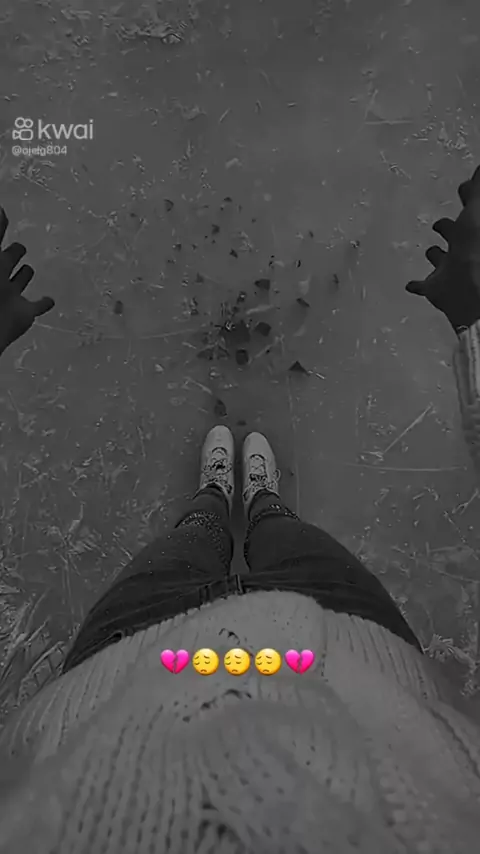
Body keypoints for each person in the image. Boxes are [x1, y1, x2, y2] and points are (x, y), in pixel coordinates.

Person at [1, 167, 480, 853]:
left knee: (192, 538)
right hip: (351, 642)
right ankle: (261, 502)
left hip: (131, 656)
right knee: (287, 536)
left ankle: (213, 502)